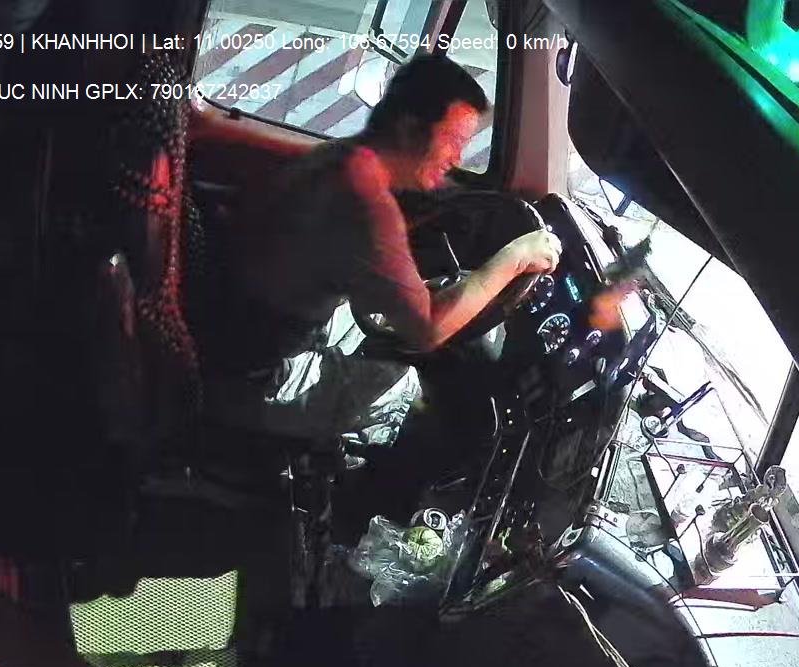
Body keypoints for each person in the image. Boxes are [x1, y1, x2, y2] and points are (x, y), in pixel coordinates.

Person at [203, 55, 561, 444]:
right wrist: (515, 259)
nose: (458, 158)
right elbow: (428, 330)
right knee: (403, 385)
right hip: (255, 379)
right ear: (408, 130)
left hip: (241, 331)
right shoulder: (367, 205)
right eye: (454, 141)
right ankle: (343, 478)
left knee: (375, 331)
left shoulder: (340, 159)